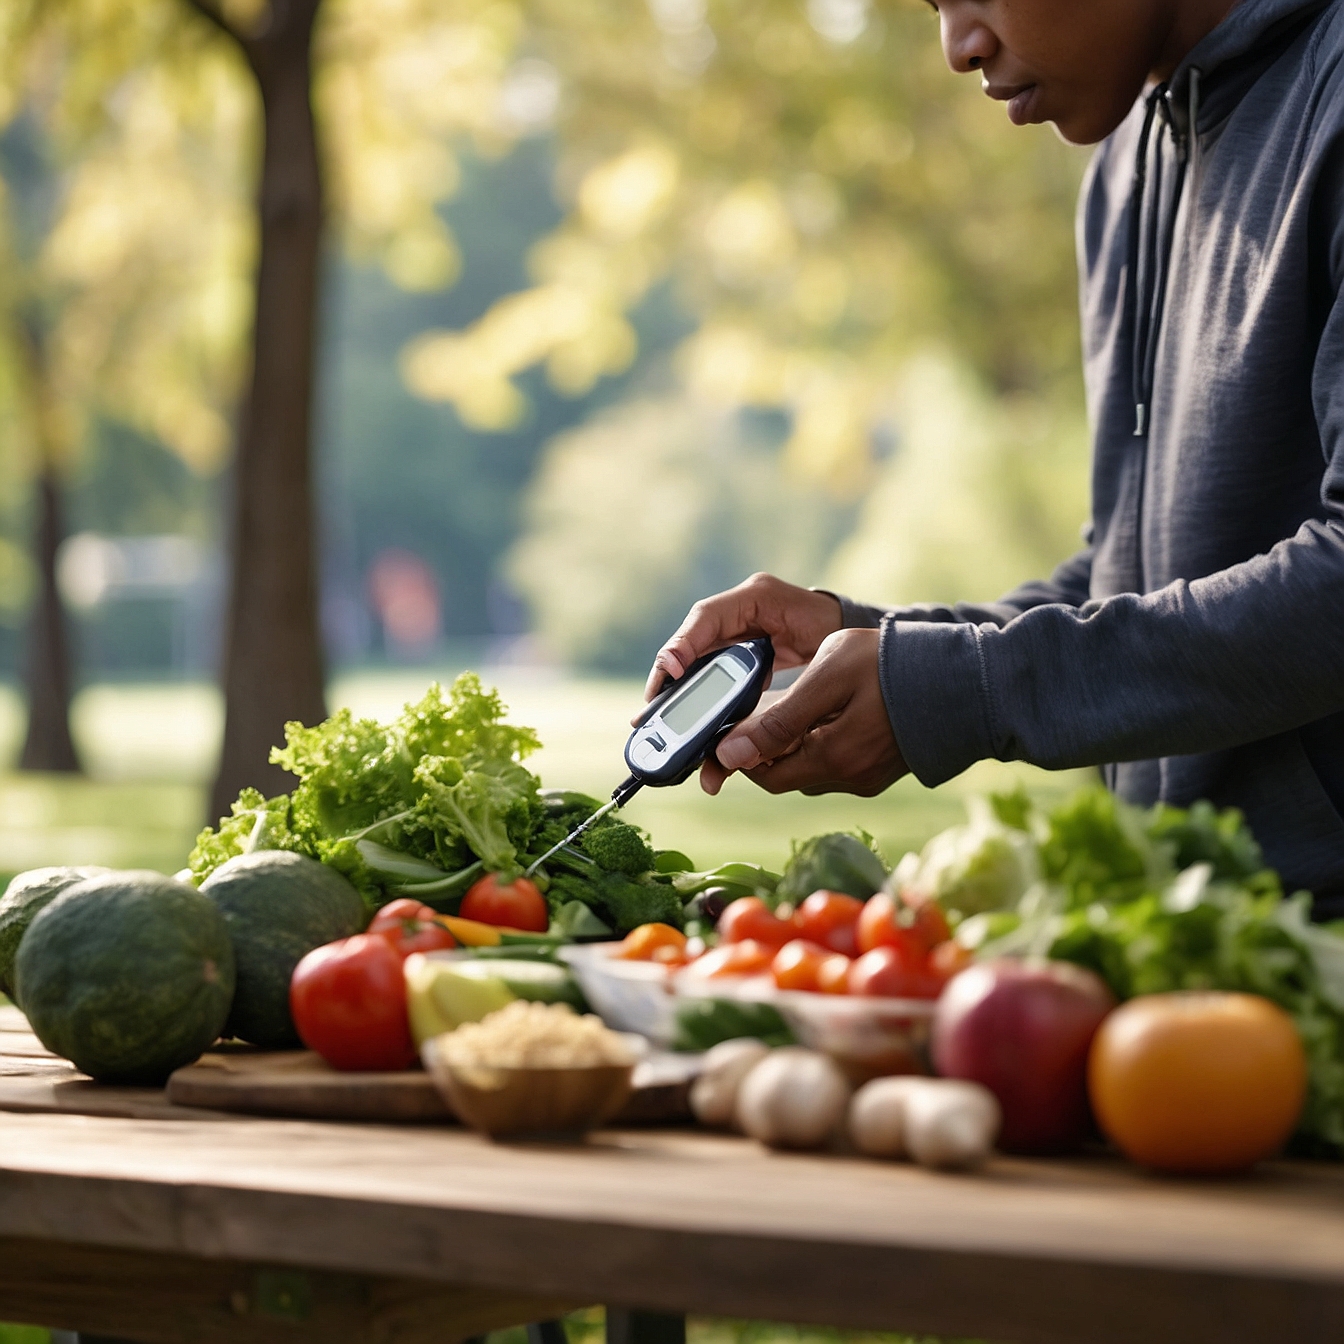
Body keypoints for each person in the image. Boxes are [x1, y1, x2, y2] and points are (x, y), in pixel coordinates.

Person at [642, 0, 1344, 916]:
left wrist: (964, 691)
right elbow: (1126, 577)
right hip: (1184, 939)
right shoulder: (1127, 170)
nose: (957, 46)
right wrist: (891, 646)